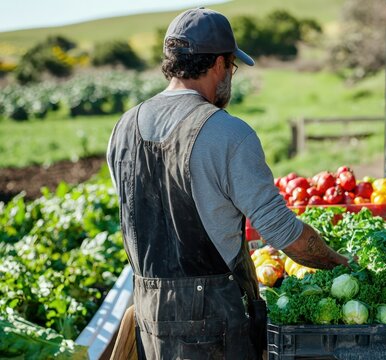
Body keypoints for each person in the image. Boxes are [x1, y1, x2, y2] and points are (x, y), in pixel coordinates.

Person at [107, 7, 349, 360]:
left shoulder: (122, 128)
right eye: (232, 67)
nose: (230, 77)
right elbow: (284, 235)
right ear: (220, 64)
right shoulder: (228, 132)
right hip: (211, 324)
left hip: (149, 316)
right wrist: (342, 264)